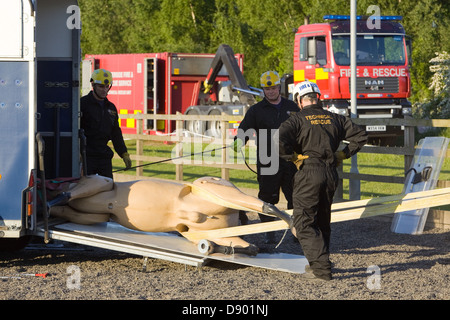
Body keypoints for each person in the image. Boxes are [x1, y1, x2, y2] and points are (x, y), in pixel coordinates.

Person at [277, 80, 368, 281]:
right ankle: (319, 262)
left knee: (303, 223)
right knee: (322, 221)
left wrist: (292, 157)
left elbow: (277, 140)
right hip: (330, 172)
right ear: (318, 98)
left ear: (300, 101)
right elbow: (360, 135)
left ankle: (322, 269)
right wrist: (342, 155)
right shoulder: (336, 118)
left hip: (308, 171)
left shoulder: (296, 120)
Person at [232, 71, 299, 243]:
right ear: (263, 90)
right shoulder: (256, 110)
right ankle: (270, 234)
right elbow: (245, 128)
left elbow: (302, 131)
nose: (270, 91)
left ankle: (296, 233)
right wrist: (239, 141)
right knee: (267, 199)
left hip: (290, 161)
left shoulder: (291, 107)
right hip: (267, 160)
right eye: (267, 89)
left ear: (279, 88)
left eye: (273, 88)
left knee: (296, 197)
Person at [80, 69, 132, 178]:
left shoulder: (111, 108)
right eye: (101, 86)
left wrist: (123, 153)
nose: (104, 90)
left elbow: (116, 133)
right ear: (93, 85)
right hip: (86, 156)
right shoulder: (82, 104)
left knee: (108, 189)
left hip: (104, 157)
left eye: (107, 86)